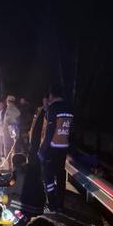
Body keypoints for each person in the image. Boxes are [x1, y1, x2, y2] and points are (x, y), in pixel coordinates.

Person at [38, 83, 74, 212]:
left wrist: (42, 150)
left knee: (48, 177)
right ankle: (60, 204)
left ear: (51, 95)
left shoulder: (53, 108)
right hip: (64, 147)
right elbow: (71, 130)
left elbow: (50, 131)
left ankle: (52, 204)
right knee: (60, 176)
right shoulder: (69, 108)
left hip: (51, 148)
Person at [6, 153, 45, 219]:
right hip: (40, 207)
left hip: (32, 208)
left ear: (14, 163)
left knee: (7, 198)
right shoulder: (33, 169)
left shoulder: (18, 172)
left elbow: (12, 188)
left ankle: (21, 218)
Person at [28, 95, 49, 164]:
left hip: (42, 136)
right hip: (34, 135)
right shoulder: (39, 110)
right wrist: (30, 131)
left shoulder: (50, 111)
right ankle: (32, 165)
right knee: (32, 151)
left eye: (46, 101)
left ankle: (37, 167)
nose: (45, 102)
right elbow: (34, 122)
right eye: (44, 100)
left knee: (38, 154)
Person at [2, 95, 20, 163]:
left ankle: (9, 164)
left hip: (10, 131)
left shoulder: (11, 109)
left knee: (9, 148)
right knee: (12, 147)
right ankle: (11, 163)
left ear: (8, 101)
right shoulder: (13, 109)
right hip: (11, 130)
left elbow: (12, 123)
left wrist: (12, 133)